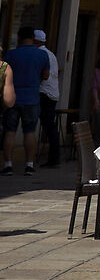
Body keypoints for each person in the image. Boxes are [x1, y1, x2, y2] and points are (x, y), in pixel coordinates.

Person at [2, 26, 49, 174]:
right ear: (34, 39)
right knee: (29, 132)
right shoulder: (41, 55)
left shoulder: (11, 54)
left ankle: (8, 164)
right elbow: (46, 75)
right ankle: (29, 164)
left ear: (20, 37)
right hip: (32, 98)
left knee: (9, 132)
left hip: (12, 97)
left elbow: (4, 74)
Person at [37, 36, 60, 166]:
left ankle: (54, 158)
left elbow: (44, 75)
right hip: (51, 94)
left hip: (45, 93)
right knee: (50, 126)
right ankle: (53, 157)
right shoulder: (50, 53)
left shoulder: (42, 54)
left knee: (49, 126)